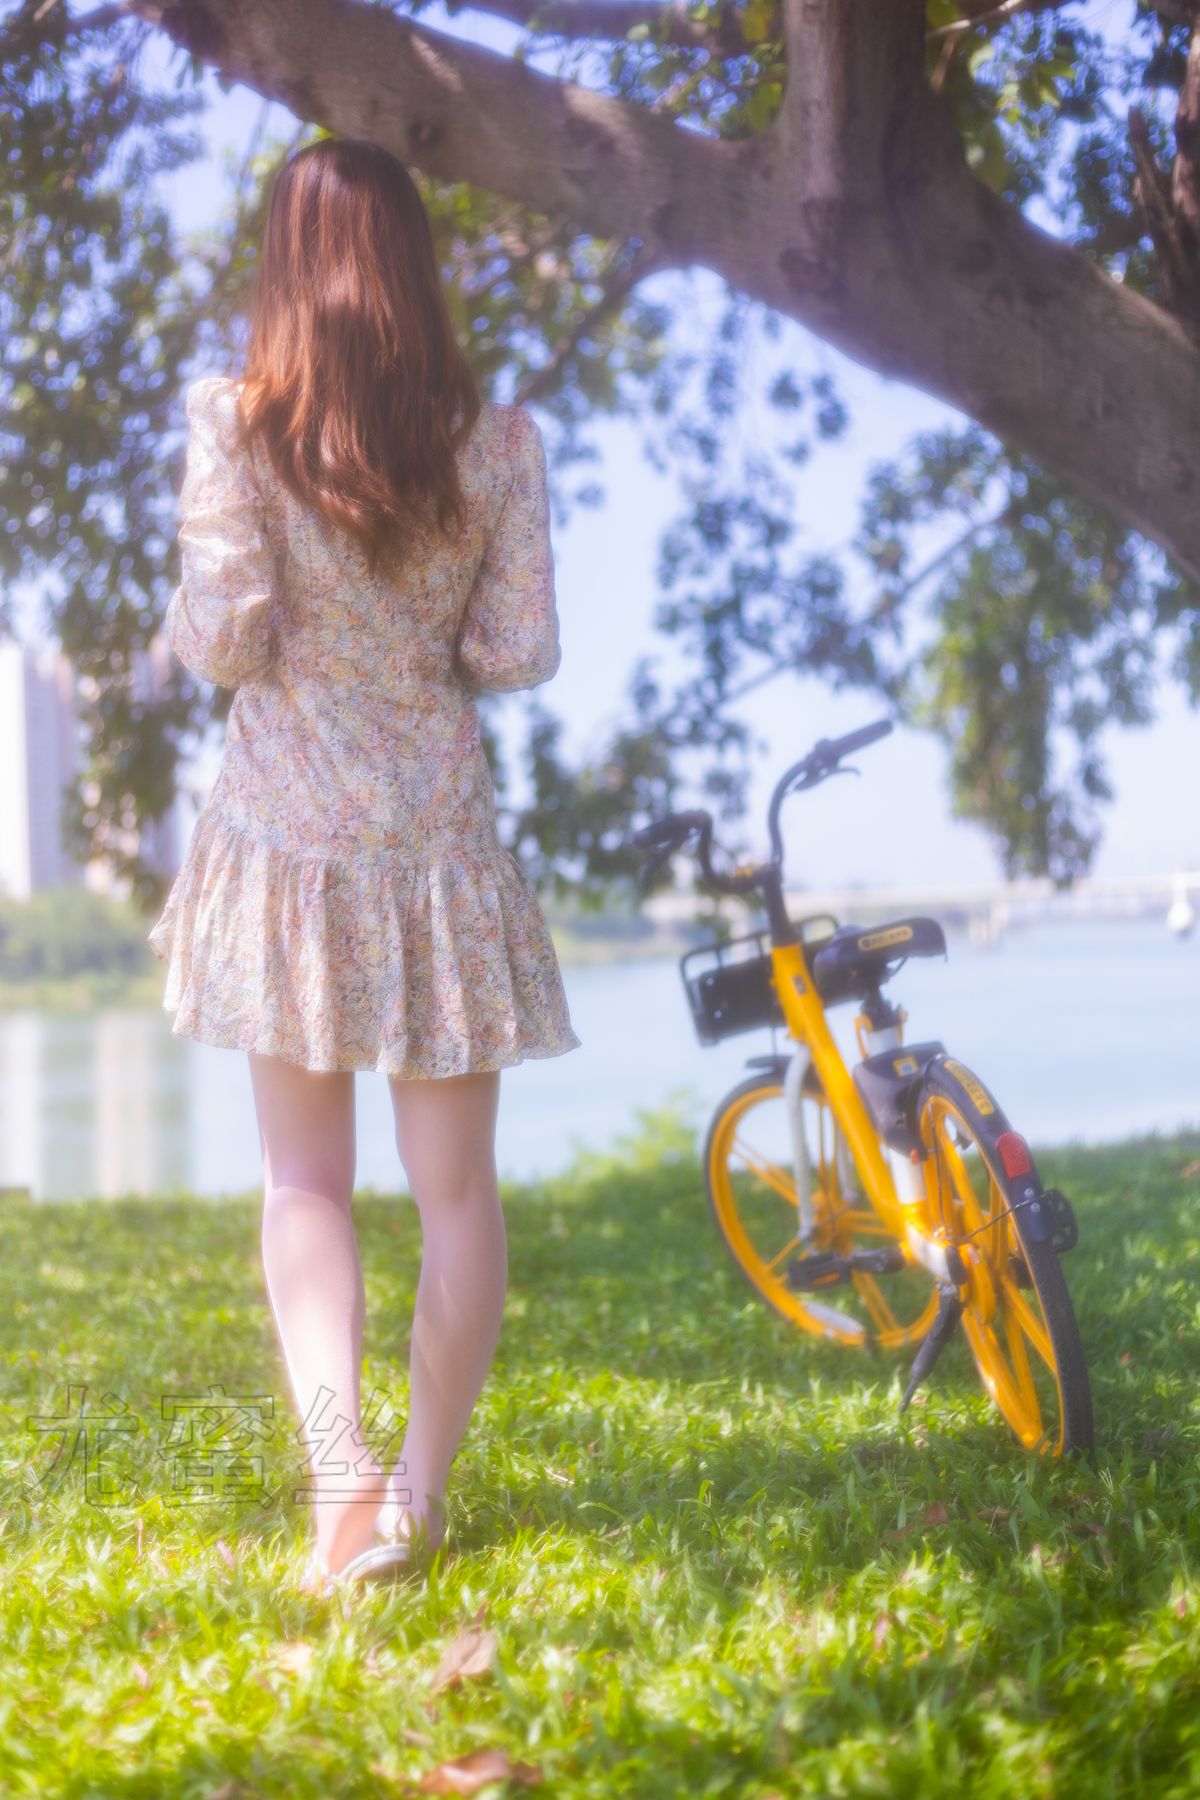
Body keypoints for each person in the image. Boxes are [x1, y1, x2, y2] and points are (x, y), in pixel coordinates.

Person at [146, 136, 581, 1593]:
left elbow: (223, 639)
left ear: (286, 265)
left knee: (305, 1185)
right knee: (456, 1190)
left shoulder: (236, 422)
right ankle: (421, 1498)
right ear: (414, 263)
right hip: (437, 847)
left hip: (287, 846)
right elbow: (515, 651)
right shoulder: (500, 442)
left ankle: (341, 1492)